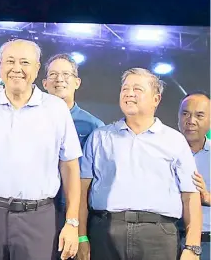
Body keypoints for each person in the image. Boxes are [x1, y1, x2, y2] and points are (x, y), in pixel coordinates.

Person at [0, 39, 82, 260]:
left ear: (36, 68)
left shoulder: (56, 109)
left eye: (25, 62)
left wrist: (72, 222)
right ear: (0, 65)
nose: (17, 69)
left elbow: (70, 168)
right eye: (10, 61)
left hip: (38, 218)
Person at [78, 68, 202, 260]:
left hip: (158, 236)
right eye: (125, 88)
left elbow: (190, 197)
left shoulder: (175, 141)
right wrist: (81, 237)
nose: (129, 93)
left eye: (137, 89)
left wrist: (192, 246)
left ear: (156, 99)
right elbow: (81, 191)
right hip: (105, 232)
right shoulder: (100, 137)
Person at [42, 53, 104, 237]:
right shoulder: (30, 119)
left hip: (74, 211)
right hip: (36, 208)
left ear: (77, 82)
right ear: (44, 83)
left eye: (66, 74)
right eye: (53, 75)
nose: (59, 79)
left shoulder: (94, 126)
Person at [178, 92, 210, 259]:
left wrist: (206, 197)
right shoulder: (164, 151)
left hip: (207, 243)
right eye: (185, 114)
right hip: (169, 239)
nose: (191, 121)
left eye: (199, 115)